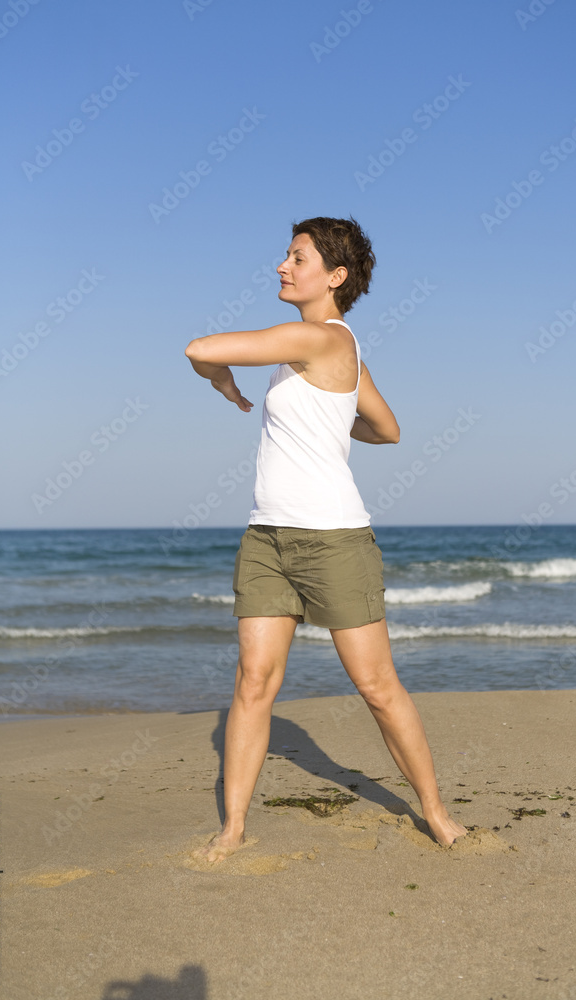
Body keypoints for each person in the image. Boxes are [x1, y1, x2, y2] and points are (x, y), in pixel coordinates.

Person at [185, 216, 467, 863]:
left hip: (334, 540)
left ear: (334, 276)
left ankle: (435, 813)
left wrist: (221, 380)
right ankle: (232, 828)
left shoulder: (315, 339)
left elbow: (199, 347)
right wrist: (338, 424)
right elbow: (386, 428)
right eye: (284, 256)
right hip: (266, 536)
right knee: (254, 682)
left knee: (376, 686)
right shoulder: (327, 351)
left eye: (297, 257)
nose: (282, 266)